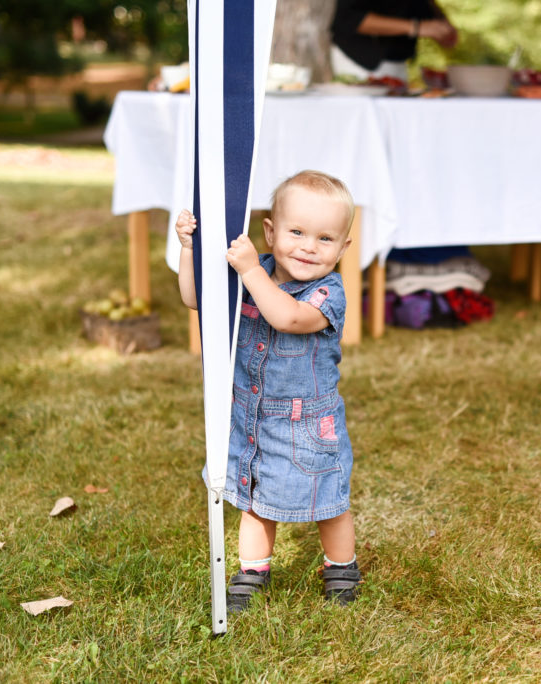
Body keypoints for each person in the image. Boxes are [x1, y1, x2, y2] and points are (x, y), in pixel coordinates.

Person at [176, 170, 361, 611]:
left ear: (343, 248)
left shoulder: (327, 294)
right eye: (297, 232)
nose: (308, 247)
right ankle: (254, 568)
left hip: (308, 426)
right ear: (271, 232)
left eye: (325, 238)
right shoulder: (253, 268)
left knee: (327, 501)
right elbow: (195, 297)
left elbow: (288, 318)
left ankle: (341, 566)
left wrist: (247, 272)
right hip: (252, 415)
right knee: (254, 499)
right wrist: (189, 252)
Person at [330, 0, 458, 81]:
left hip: (398, 62)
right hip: (360, 61)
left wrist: (440, 22)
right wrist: (416, 27)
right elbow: (348, 18)